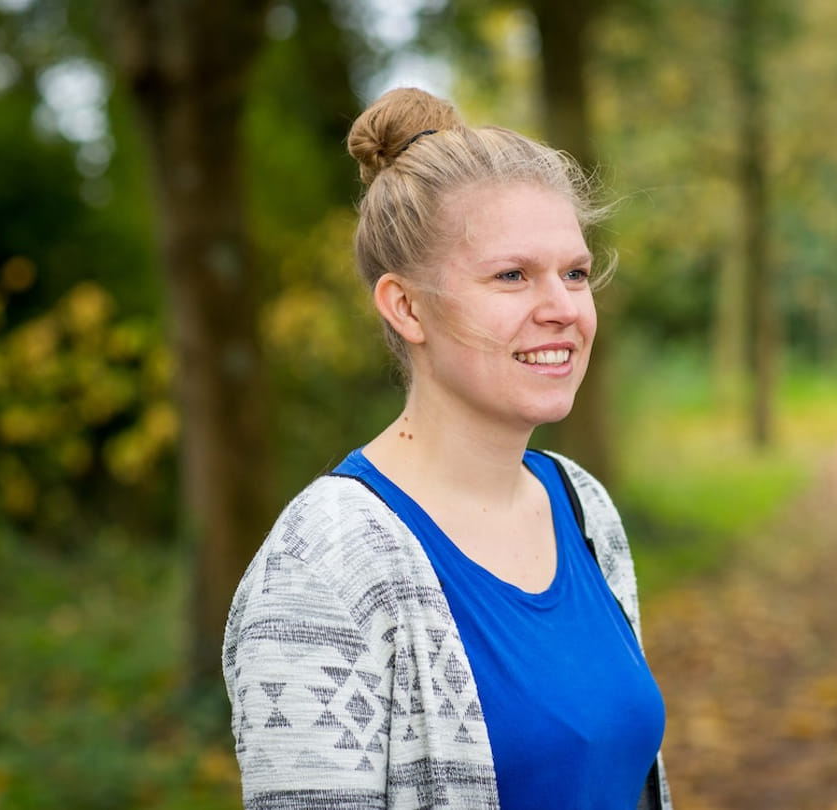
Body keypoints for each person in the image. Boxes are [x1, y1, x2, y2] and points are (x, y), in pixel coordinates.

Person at [222, 86, 672, 810]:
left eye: (576, 273)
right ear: (406, 306)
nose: (562, 307)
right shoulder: (322, 567)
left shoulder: (582, 506)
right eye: (512, 275)